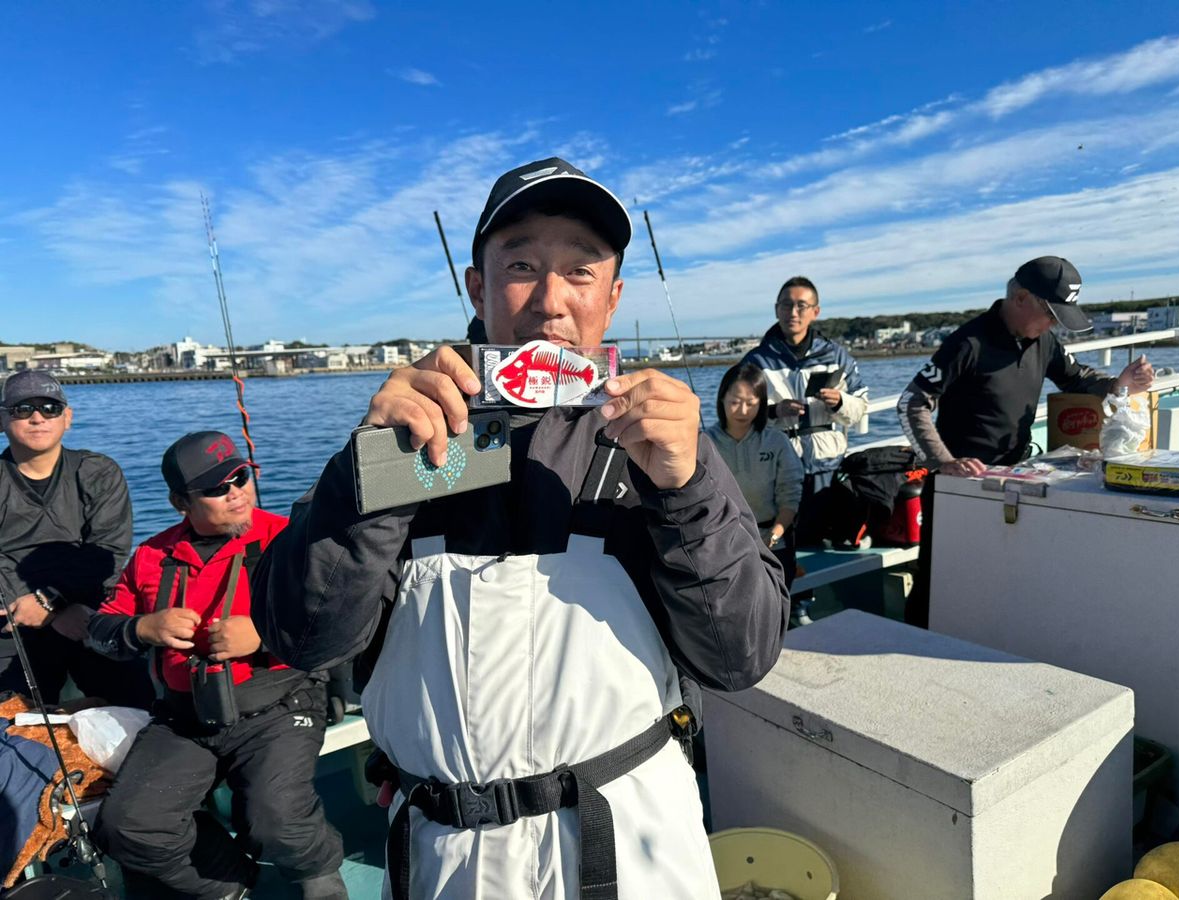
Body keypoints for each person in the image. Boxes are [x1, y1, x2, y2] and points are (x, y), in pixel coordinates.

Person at [251, 157, 789, 900]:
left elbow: (741, 656)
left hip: (634, 844)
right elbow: (301, 637)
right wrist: (371, 469)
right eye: (523, 264)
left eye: (580, 271)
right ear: (476, 284)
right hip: (445, 857)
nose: (550, 301)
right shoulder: (406, 434)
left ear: (613, 297)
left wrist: (687, 487)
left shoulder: (661, 444)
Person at [87, 432, 347, 900]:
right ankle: (228, 884)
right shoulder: (149, 557)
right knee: (126, 827)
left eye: (241, 477)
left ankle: (320, 879)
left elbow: (340, 618)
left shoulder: (290, 539)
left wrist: (265, 634)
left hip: (280, 705)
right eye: (216, 487)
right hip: (185, 718)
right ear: (178, 502)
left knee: (275, 822)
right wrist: (143, 628)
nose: (236, 492)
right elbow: (99, 630)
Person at [897, 256, 1155, 626]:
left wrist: (1122, 383)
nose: (1054, 324)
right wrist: (943, 460)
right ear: (1020, 298)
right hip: (959, 486)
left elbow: (1077, 379)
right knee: (939, 576)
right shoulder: (967, 343)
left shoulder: (1044, 341)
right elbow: (912, 402)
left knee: (1002, 576)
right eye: (1051, 314)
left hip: (1013, 478)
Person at [0, 370, 153, 710]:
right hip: (15, 619)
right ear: (2, 419)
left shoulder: (98, 471)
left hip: (85, 611)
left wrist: (52, 603)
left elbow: (108, 550)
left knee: (139, 706)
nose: (37, 417)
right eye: (22, 409)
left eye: (49, 407)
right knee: (10, 720)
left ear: (67, 418)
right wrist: (39, 608)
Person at [742, 276, 869, 545]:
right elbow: (735, 413)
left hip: (827, 466)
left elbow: (861, 407)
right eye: (787, 305)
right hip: (776, 469)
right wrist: (774, 410)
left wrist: (840, 402)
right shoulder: (756, 361)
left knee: (820, 544)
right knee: (781, 545)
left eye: (801, 305)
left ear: (815, 311)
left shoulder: (836, 356)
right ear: (777, 309)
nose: (793, 312)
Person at [704, 362, 802, 587]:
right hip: (725, 542)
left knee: (776, 607)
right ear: (722, 400)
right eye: (735, 402)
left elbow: (790, 494)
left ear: (762, 403)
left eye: (751, 403)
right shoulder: (705, 443)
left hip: (774, 540)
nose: (743, 411)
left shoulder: (776, 441)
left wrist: (775, 535)